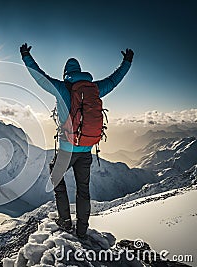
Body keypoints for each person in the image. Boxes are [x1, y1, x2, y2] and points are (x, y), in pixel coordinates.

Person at [20, 43, 133, 238]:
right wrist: (127, 62)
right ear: (80, 72)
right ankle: (82, 229)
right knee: (83, 191)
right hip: (86, 150)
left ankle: (64, 221)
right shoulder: (94, 89)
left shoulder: (63, 88)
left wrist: (26, 56)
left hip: (66, 150)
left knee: (56, 178)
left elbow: (40, 77)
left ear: (66, 73)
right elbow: (114, 81)